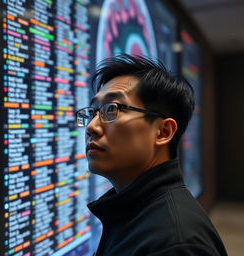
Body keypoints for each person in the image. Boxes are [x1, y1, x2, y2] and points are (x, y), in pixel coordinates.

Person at [76, 54, 227, 256]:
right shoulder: (133, 213)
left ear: (163, 132)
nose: (92, 127)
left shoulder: (176, 243)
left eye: (112, 109)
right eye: (94, 112)